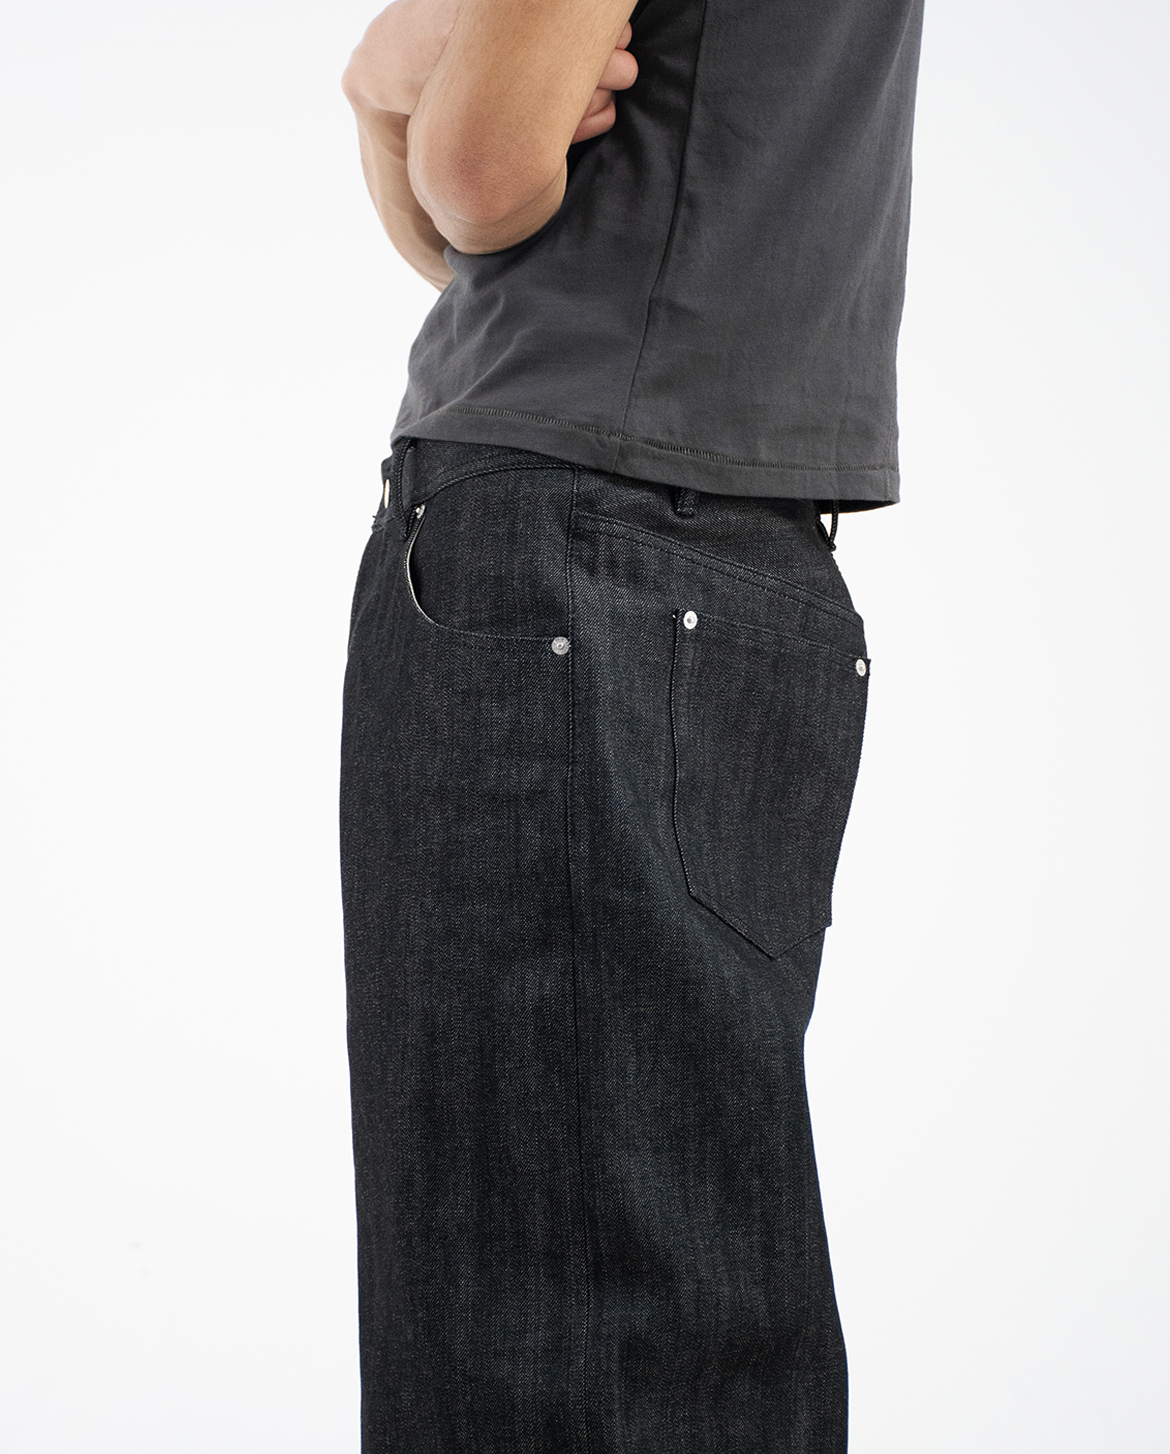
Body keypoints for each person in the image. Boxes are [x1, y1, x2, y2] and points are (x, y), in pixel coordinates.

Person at [338, 0, 925, 1448]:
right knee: (692, 1281)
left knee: (518, 1304)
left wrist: (381, 93)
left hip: (559, 540)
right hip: (758, 557)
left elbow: (479, 182)